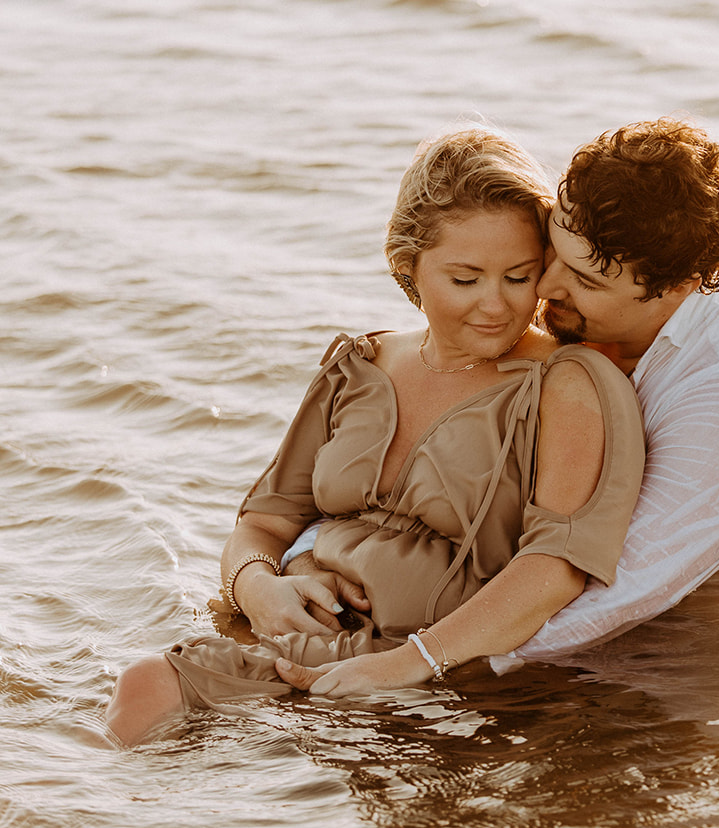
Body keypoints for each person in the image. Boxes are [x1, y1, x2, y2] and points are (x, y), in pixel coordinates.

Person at [105, 129, 645, 744]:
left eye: (518, 277)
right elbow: (263, 522)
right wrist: (259, 589)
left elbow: (556, 569)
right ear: (407, 266)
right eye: (465, 280)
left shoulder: (567, 383)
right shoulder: (360, 365)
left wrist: (404, 664)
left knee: (146, 692)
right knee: (139, 698)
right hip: (286, 637)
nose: (495, 305)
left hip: (421, 672)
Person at [493, 117, 719, 669]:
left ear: (681, 285)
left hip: (678, 682)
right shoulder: (576, 324)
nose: (545, 288)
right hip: (549, 650)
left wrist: (409, 664)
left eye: (586, 280)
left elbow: (613, 594)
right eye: (554, 252)